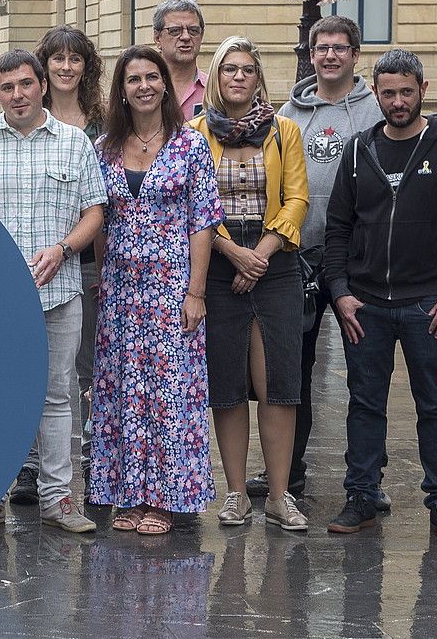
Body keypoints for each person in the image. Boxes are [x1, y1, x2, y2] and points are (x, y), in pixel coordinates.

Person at [324, 49, 437, 542]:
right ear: (375, 93)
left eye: (406, 92)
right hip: (366, 304)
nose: (397, 101)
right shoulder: (357, 149)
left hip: (427, 305)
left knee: (434, 404)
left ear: (423, 89)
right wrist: (340, 293)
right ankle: (362, 496)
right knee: (364, 403)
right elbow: (337, 228)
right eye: (388, 93)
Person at [0, 50, 105, 534]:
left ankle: (58, 499)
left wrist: (64, 249)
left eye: (24, 84)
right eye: (6, 88)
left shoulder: (75, 143)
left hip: (58, 291)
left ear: (42, 84)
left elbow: (94, 214)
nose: (17, 95)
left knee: (58, 396)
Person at [249, 15, 384, 505]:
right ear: (309, 54)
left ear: (355, 53)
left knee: (365, 372)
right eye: (320, 47)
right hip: (299, 257)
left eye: (339, 47)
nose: (329, 55)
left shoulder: (375, 111)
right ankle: (288, 470)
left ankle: (367, 480)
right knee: (292, 371)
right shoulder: (289, 113)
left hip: (358, 262)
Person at [89, 46, 223, 536]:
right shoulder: (104, 146)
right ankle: (128, 491)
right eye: (132, 79)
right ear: (120, 90)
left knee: (170, 391)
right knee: (123, 390)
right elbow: (98, 218)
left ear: (165, 84)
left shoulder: (190, 145)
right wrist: (104, 280)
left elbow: (202, 223)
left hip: (172, 284)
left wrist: (196, 292)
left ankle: (167, 497)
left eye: (151, 77)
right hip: (121, 288)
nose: (143, 86)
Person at [190, 37, 309, 531]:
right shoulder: (195, 133)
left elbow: (297, 198)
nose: (238, 77)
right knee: (228, 384)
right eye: (228, 70)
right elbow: (194, 205)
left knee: (277, 383)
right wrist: (231, 251)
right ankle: (236, 493)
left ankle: (280, 496)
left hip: (274, 264)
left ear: (259, 77)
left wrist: (260, 252)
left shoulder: (285, 131)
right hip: (218, 265)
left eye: (247, 70)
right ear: (216, 77)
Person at [11, 26, 105, 505]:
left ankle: (82, 461)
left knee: (79, 371)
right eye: (57, 59)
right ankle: (23, 468)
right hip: (21, 276)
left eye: (76, 59)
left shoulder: (100, 126)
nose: (67, 67)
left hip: (83, 265)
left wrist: (95, 261)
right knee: (24, 378)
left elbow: (102, 207)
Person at [153, 0, 208, 119]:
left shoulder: (215, 90)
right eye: (175, 30)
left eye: (193, 30)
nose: (185, 37)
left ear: (202, 35)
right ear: (157, 38)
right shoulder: (144, 90)